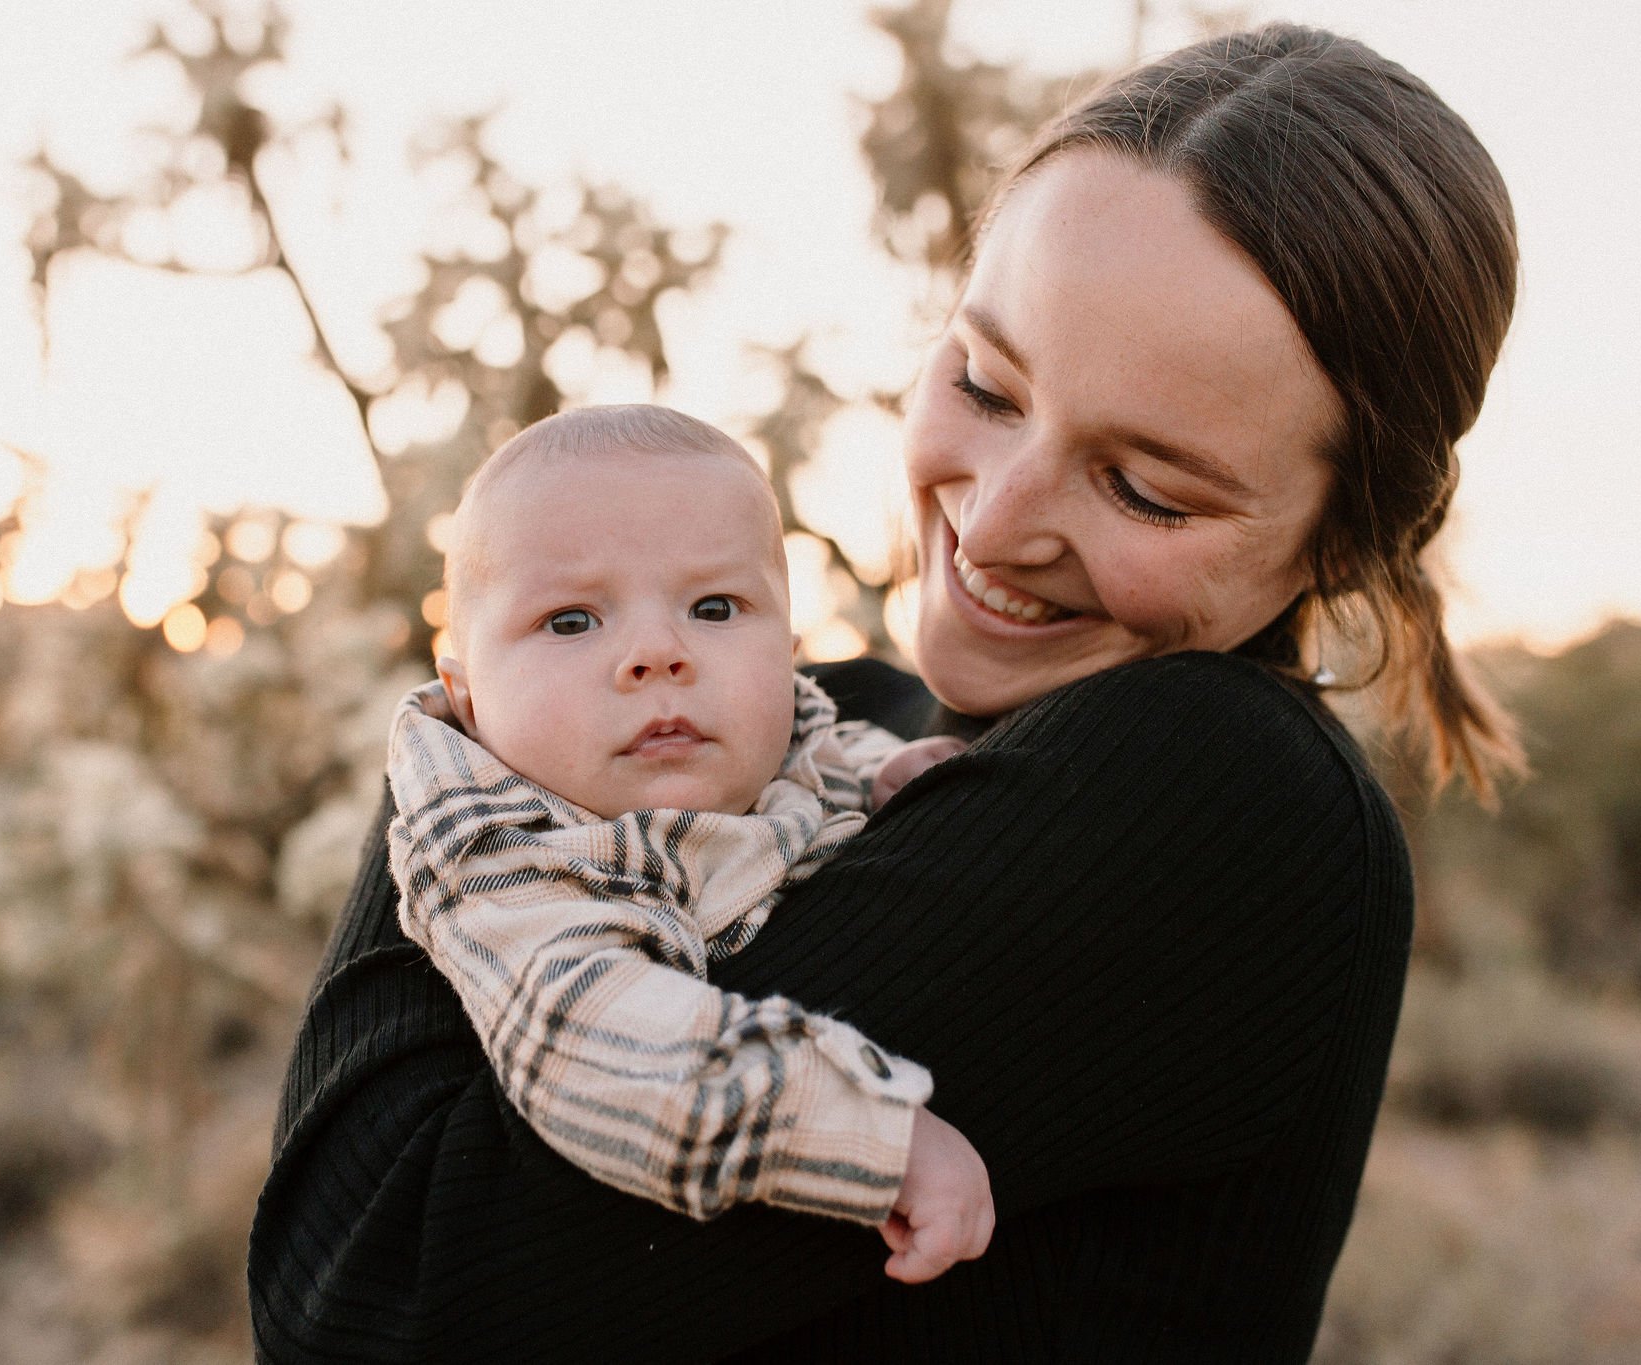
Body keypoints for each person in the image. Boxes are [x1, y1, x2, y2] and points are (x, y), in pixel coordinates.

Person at [249, 23, 1522, 1363]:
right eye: (985, 382)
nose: (999, 518)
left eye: (1145, 486)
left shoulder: (1222, 790)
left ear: (1347, 538)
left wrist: (461, 752)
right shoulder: (824, 726)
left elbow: (365, 1294)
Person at [386, 404, 989, 1276]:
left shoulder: (781, 737)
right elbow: (598, 1039)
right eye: (569, 621)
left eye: (714, 606)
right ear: (468, 695)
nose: (658, 652)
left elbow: (808, 749)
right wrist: (865, 1130)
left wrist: (887, 772)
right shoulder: (505, 860)